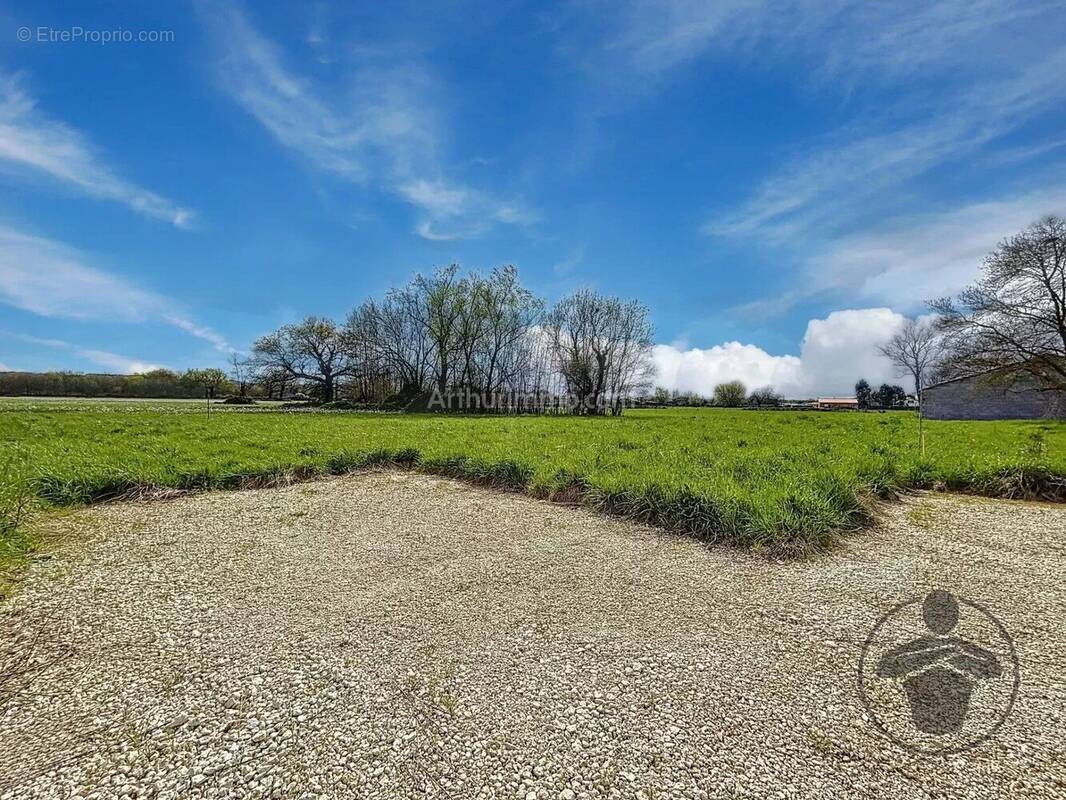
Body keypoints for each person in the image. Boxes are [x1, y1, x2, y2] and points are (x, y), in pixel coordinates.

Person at [877, 589, 1001, 734]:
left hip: (952, 708)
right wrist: (942, 653)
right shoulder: (946, 646)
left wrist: (952, 656)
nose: (941, 620)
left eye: (946, 614)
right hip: (923, 706)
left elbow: (993, 669)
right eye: (936, 614)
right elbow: (885, 669)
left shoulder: (960, 646)